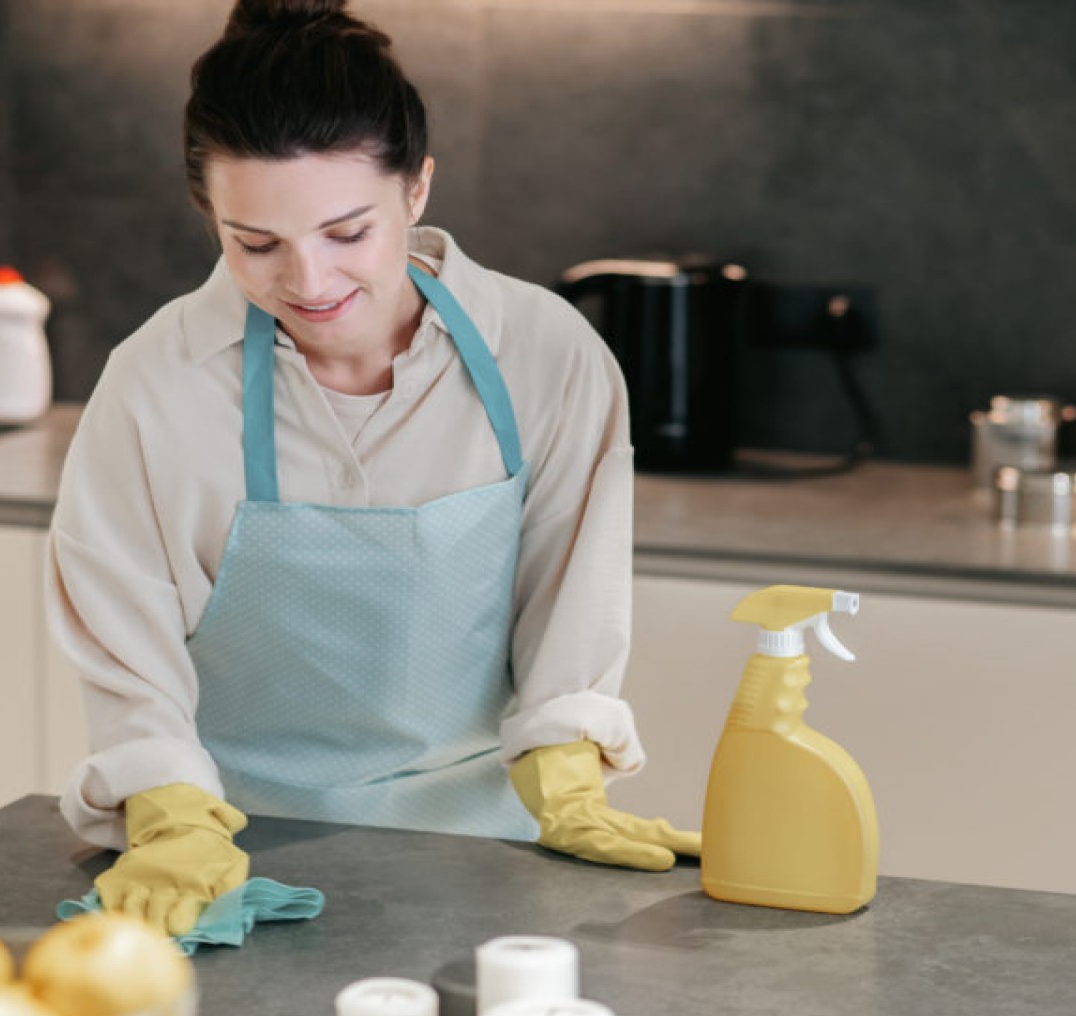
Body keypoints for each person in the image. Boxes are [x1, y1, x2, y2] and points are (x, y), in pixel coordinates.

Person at [47, 0, 699, 936]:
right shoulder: (157, 387)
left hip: (491, 858)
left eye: (347, 233)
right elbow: (125, 653)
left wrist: (566, 772)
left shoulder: (545, 354)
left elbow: (573, 596)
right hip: (225, 857)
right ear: (210, 218)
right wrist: (169, 813)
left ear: (417, 190)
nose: (308, 284)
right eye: (255, 244)